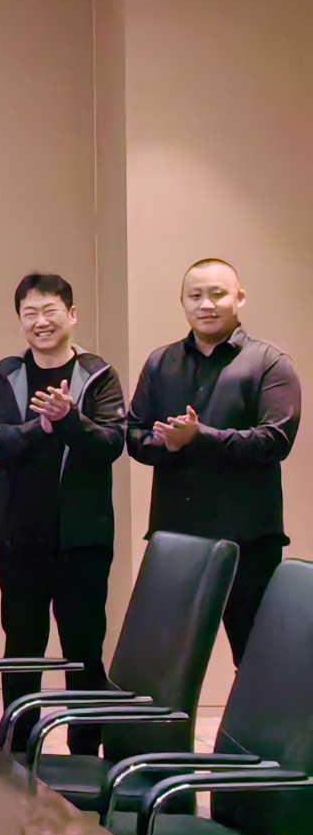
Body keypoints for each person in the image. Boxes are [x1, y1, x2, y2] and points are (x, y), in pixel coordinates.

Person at [0, 274, 126, 753]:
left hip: (82, 538)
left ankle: (85, 753)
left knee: (84, 648)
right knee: (22, 647)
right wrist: (43, 426)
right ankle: (18, 751)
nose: (40, 322)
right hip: (19, 536)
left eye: (50, 311)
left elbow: (110, 443)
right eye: (30, 313)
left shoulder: (98, 374)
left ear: (72, 315)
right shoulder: (6, 374)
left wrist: (69, 419)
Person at [127, 258, 301, 663]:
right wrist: (169, 445)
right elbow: (133, 435)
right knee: (163, 662)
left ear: (240, 298)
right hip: (175, 539)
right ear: (183, 302)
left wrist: (200, 437)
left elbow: (275, 440)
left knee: (256, 659)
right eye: (195, 295)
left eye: (217, 294)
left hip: (248, 540)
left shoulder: (269, 362)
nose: (206, 304)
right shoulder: (160, 362)